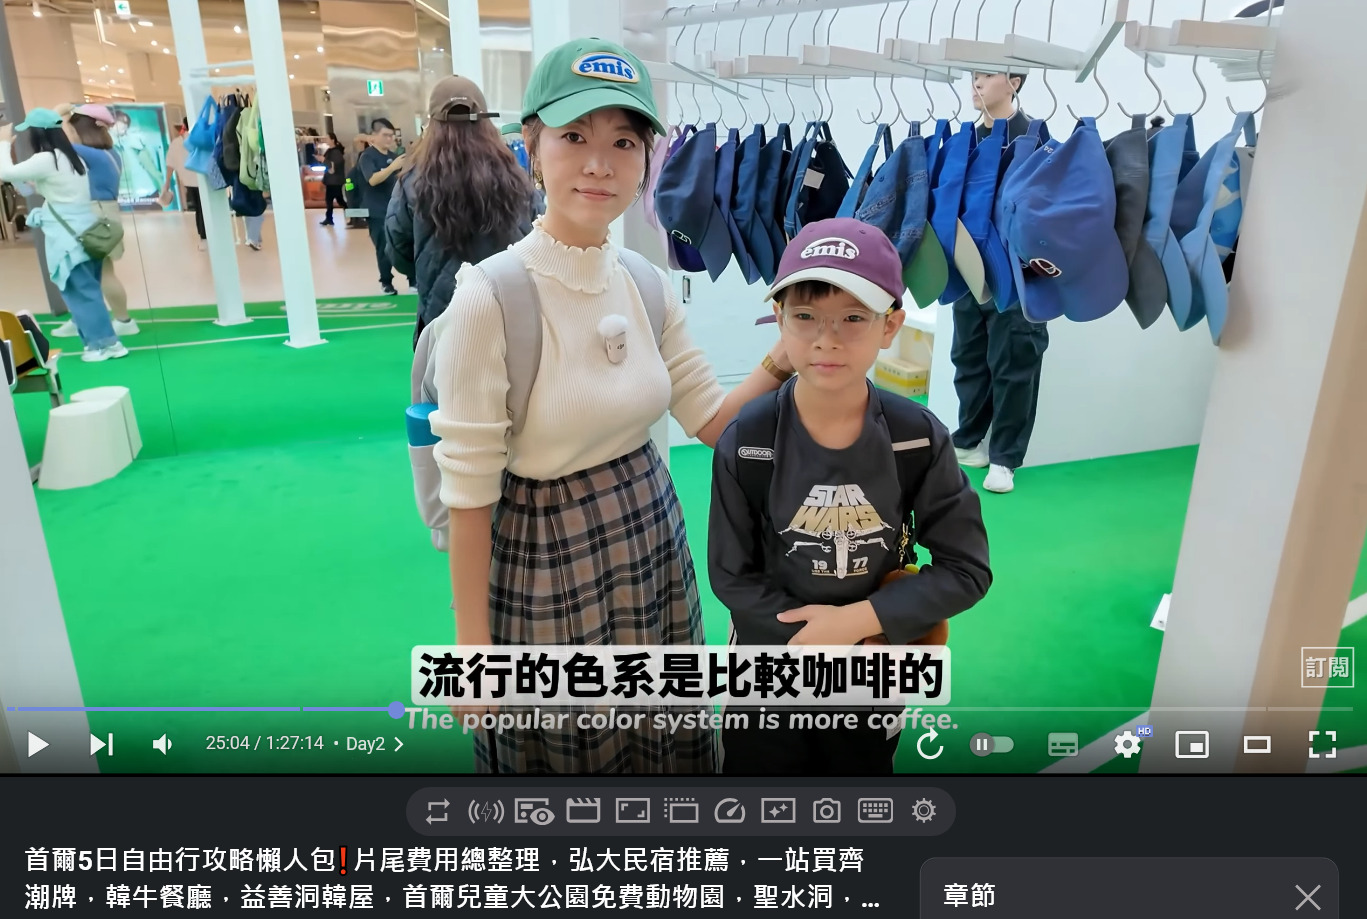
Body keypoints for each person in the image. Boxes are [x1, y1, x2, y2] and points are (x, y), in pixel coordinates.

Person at [429, 37, 794, 774]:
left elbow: (710, 420)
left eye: (624, 142)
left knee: (666, 742)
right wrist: (472, 647)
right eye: (574, 137)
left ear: (646, 160)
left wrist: (785, 357)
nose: (599, 164)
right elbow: (467, 490)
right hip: (544, 549)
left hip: (651, 530)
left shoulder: (644, 280)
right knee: (571, 752)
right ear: (532, 147)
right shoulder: (489, 296)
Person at [708, 217, 992, 775]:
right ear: (780, 321)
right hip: (770, 668)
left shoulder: (916, 437)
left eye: (854, 318)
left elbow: (966, 569)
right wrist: (812, 636)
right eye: (806, 316)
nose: (826, 339)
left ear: (891, 325)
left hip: (872, 668)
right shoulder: (748, 440)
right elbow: (732, 576)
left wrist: (860, 622)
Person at [948, 71, 1048, 494]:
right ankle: (969, 440)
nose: (976, 85)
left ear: (1014, 82)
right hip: (970, 267)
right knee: (968, 356)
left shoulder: (1037, 140)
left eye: (986, 76)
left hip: (1018, 270)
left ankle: (1006, 457)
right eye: (973, 77)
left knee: (1014, 363)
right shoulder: (964, 140)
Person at [387, 76, 542, 348]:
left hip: (441, 317)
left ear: (432, 125)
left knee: (444, 375)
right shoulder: (518, 180)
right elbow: (537, 243)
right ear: (486, 122)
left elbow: (398, 251)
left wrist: (429, 267)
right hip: (506, 313)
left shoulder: (411, 183)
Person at [0, 109, 127, 362]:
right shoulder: (70, 158)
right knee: (87, 292)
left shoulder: (47, 159)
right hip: (85, 235)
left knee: (83, 294)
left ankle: (106, 345)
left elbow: (5, 173)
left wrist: (3, 143)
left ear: (37, 134)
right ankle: (98, 343)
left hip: (69, 241)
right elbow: (52, 189)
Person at [52, 104, 138, 339]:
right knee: (97, 272)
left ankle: (122, 320)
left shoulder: (86, 153)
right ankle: (88, 318)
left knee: (95, 273)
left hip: (94, 214)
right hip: (106, 213)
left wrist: (59, 114)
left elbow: (60, 142)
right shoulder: (110, 153)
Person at [358, 118, 404, 293]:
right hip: (376, 211)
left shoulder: (394, 157)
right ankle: (386, 282)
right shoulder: (367, 156)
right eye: (385, 135)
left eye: (392, 135)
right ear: (374, 136)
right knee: (383, 247)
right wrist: (392, 167)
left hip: (396, 209)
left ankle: (413, 280)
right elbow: (372, 179)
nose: (389, 139)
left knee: (405, 243)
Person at [162, 117, 205, 245]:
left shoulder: (176, 143)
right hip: (201, 180)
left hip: (187, 181)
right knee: (203, 208)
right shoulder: (199, 140)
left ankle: (203, 236)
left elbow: (170, 164)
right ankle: (205, 235)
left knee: (198, 208)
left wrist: (167, 183)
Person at [319, 132, 347, 226]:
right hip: (332, 180)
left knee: (333, 200)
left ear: (332, 140)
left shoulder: (335, 152)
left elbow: (334, 165)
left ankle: (329, 218)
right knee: (338, 200)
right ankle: (329, 218)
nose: (325, 140)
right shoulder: (330, 151)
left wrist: (323, 160)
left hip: (335, 181)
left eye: (327, 138)